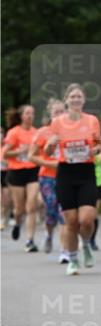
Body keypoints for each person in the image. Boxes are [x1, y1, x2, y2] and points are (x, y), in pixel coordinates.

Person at [45, 83, 101, 275]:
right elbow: (48, 150)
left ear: (84, 100)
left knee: (86, 219)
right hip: (66, 173)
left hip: (86, 172)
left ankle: (85, 244)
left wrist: (96, 149)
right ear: (66, 100)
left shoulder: (92, 120)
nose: (76, 99)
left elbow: (98, 143)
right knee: (71, 221)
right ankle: (73, 259)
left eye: (79, 96)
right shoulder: (57, 122)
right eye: (72, 97)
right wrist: (50, 145)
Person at [28, 98, 67, 258]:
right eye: (55, 112)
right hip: (47, 177)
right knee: (51, 210)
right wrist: (51, 164)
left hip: (66, 177)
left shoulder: (71, 130)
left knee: (64, 212)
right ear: (50, 114)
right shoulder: (43, 132)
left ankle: (64, 251)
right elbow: (31, 156)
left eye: (61, 111)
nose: (58, 115)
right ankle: (48, 234)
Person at [1, 104, 40, 251]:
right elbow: (5, 154)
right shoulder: (13, 132)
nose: (30, 116)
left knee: (31, 206)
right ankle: (17, 223)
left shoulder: (36, 132)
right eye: (27, 113)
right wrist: (19, 151)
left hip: (32, 171)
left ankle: (30, 240)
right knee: (19, 209)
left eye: (32, 113)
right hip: (16, 172)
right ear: (21, 116)